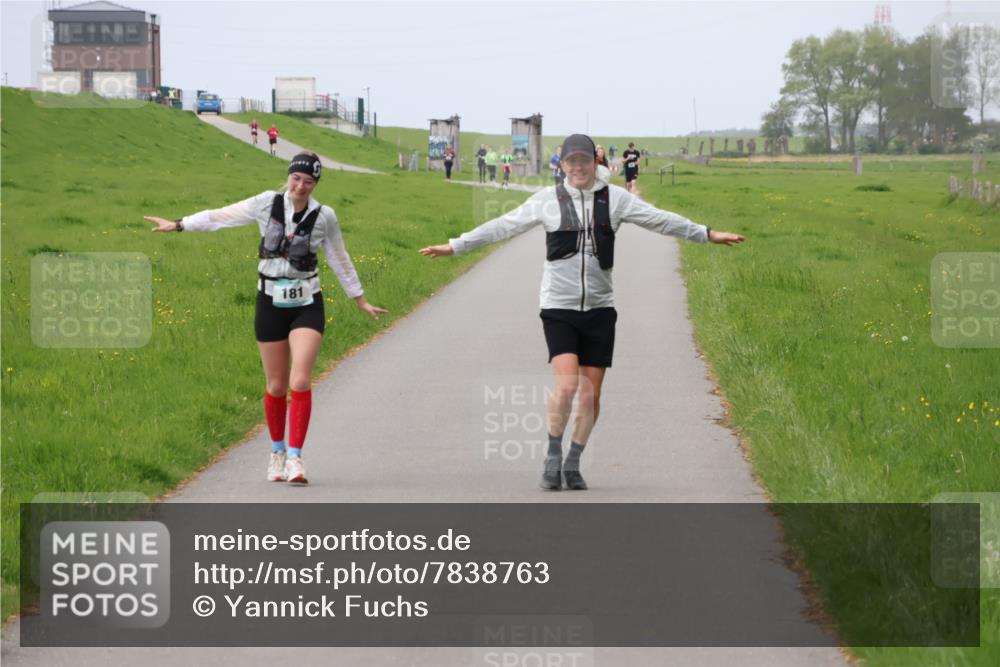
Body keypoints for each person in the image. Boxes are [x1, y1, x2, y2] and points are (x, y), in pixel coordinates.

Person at [419, 134, 744, 491]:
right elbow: (503, 225)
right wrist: (456, 246)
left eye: (583, 161)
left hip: (601, 309)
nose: (577, 167)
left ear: (594, 162)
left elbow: (659, 220)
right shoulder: (547, 200)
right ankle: (552, 455)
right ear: (562, 164)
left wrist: (706, 234)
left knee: (591, 394)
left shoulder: (615, 200)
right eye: (570, 161)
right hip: (558, 306)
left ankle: (573, 462)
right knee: (568, 385)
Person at [145, 153, 388, 485]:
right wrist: (179, 224)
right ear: (288, 177)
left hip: (307, 303)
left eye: (308, 182)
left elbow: (338, 257)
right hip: (269, 301)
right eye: (296, 179)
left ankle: (295, 458)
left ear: (316, 185)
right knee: (275, 385)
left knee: (299, 381)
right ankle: (276, 451)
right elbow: (221, 216)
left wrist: (359, 299)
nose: (301, 186)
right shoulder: (265, 203)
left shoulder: (324, 216)